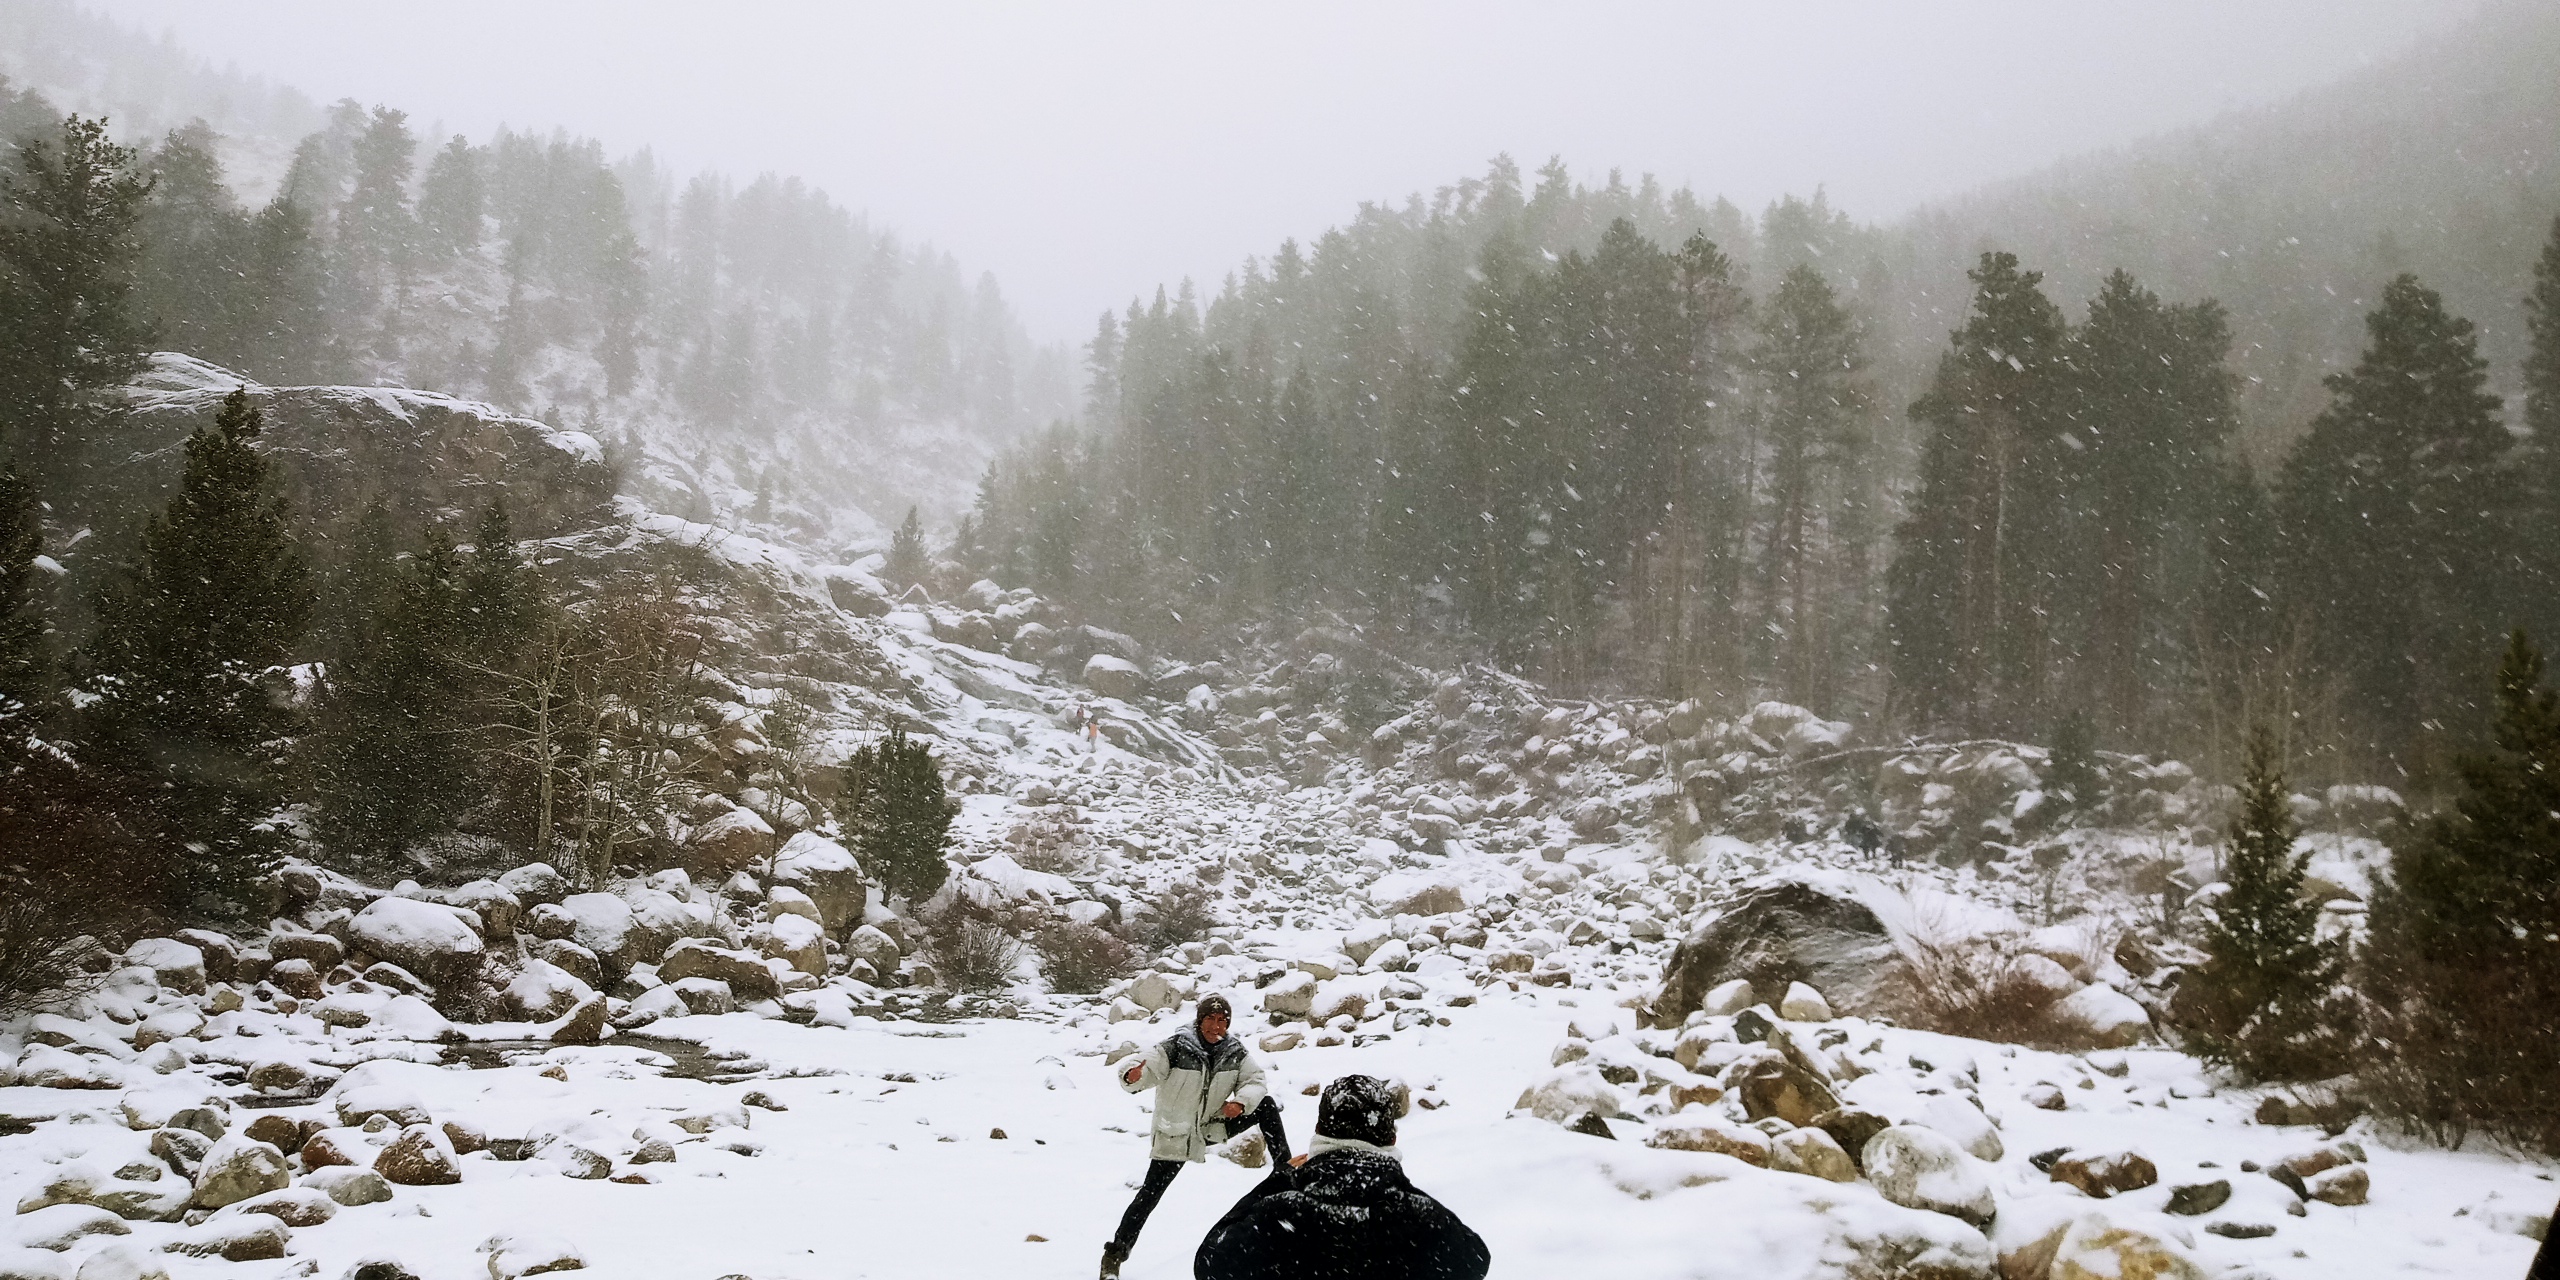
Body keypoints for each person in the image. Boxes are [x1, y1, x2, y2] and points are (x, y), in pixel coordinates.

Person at [1193, 1074, 1489, 1280]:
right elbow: (1476, 1259)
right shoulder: (1422, 1219)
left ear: (1320, 1133)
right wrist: (1396, 1182)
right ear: (1391, 1139)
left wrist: (1277, 1181)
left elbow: (1209, 1263)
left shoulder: (1278, 1213)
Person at [1102, 995, 1288, 1279]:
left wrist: (1240, 1103)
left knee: (1265, 1104)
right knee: (1149, 1196)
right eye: (1210, 1019)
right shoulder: (1176, 1047)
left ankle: (1285, 1167)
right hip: (1175, 1134)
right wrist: (1132, 1075)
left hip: (1212, 1128)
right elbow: (1146, 1068)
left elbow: (1256, 1080)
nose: (1216, 1026)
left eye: (1222, 1020)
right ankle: (1114, 1255)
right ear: (1199, 1020)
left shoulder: (1234, 1051)